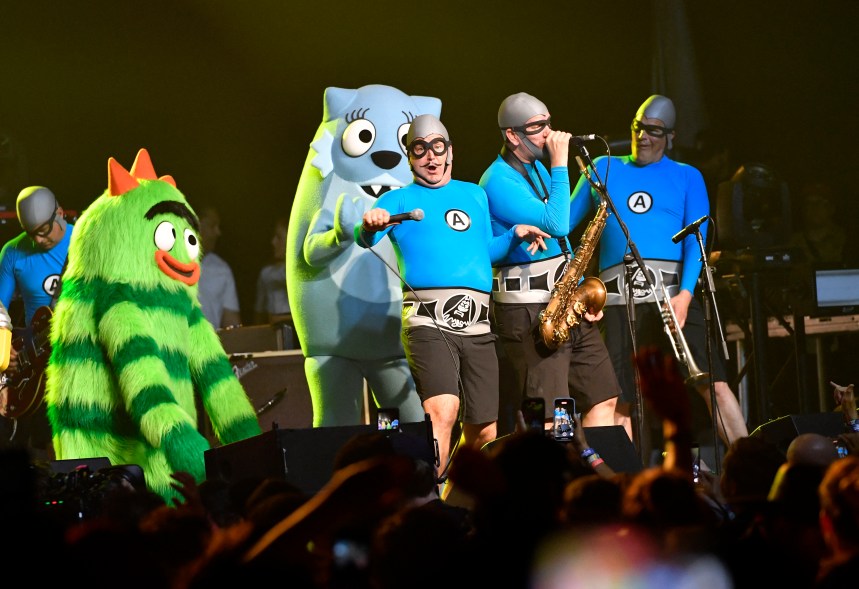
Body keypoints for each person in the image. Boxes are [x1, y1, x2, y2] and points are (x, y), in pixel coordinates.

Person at [355, 114, 549, 480]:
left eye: (437, 147)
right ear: (409, 156)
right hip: (429, 321)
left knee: (485, 430)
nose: (430, 156)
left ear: (450, 152)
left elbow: (482, 252)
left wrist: (514, 235)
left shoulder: (474, 194)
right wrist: (368, 224)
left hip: (477, 325)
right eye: (420, 149)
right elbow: (364, 238)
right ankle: (427, 500)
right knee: (442, 411)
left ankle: (451, 490)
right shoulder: (397, 199)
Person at [570, 94, 749, 458]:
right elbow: (564, 224)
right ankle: (624, 481)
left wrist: (685, 295)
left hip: (672, 295)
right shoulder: (603, 166)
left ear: (670, 135)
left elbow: (696, 242)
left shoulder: (687, 175)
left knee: (712, 383)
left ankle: (751, 468)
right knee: (618, 396)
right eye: (638, 127)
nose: (643, 136)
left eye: (653, 130)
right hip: (617, 299)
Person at [480, 92, 621, 436]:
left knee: (603, 398)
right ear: (512, 135)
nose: (549, 133)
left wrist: (581, 294)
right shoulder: (498, 180)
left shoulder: (537, 168)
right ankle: (552, 486)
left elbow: (562, 231)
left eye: (548, 122)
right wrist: (560, 164)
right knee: (549, 418)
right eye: (537, 126)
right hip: (529, 312)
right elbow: (555, 223)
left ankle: (589, 482)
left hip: (564, 301)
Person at [0, 186, 73, 459]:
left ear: (60, 213)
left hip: (77, 354)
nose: (39, 239)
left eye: (44, 230)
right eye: (32, 234)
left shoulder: (85, 242)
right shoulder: (13, 252)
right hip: (36, 360)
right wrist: (4, 348)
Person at [197, 205, 241, 329]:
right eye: (212, 226)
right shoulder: (165, 264)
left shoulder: (222, 270)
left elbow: (232, 324)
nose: (218, 232)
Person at [253, 216, 291, 325]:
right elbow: (258, 313)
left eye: (279, 237)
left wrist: (281, 319)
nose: (273, 242)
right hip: (271, 334)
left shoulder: (306, 273)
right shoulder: (266, 273)